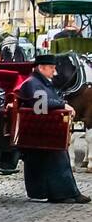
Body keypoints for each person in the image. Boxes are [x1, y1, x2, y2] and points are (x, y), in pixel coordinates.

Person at [17, 54, 89, 203]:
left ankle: (66, 193)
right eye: (51, 68)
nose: (54, 72)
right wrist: (63, 105)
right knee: (58, 157)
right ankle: (64, 194)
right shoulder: (33, 83)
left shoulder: (41, 82)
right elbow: (41, 105)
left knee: (59, 156)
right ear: (41, 68)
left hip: (45, 129)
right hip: (39, 131)